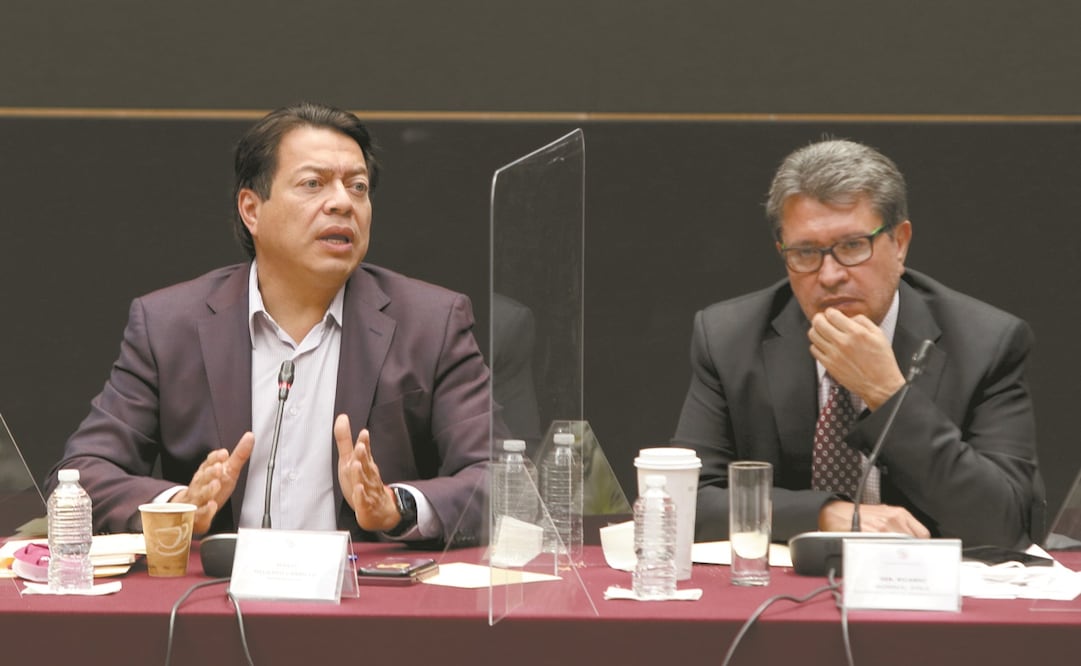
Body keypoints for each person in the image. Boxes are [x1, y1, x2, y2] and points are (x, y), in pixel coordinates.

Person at [45, 102, 493, 547]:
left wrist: (397, 508)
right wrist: (180, 506)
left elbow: (499, 479)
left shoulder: (430, 324)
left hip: (366, 603)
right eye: (313, 183)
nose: (342, 202)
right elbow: (80, 476)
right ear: (251, 210)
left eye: (358, 187)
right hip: (219, 603)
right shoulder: (169, 326)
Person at [672, 138, 1042, 549]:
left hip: (924, 599)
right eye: (806, 252)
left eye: (852, 246)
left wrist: (888, 395)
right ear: (783, 253)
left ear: (899, 243)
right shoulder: (730, 338)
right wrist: (830, 514)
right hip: (786, 594)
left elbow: (1005, 522)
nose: (829, 274)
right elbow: (684, 502)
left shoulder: (986, 344)